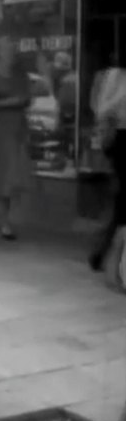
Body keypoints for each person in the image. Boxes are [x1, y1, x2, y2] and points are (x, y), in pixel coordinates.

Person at [0, 36, 33, 240]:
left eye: (14, 51)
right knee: (3, 175)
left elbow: (27, 98)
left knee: (12, 176)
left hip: (16, 129)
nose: (12, 55)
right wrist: (11, 102)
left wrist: (19, 102)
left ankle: (3, 217)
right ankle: (2, 220)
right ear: (1, 53)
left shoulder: (21, 75)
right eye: (8, 51)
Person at [88, 58, 126, 273]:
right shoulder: (115, 76)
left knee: (120, 203)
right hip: (120, 139)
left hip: (117, 140)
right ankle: (107, 256)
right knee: (121, 203)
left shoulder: (109, 76)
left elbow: (99, 106)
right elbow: (103, 109)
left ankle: (103, 253)